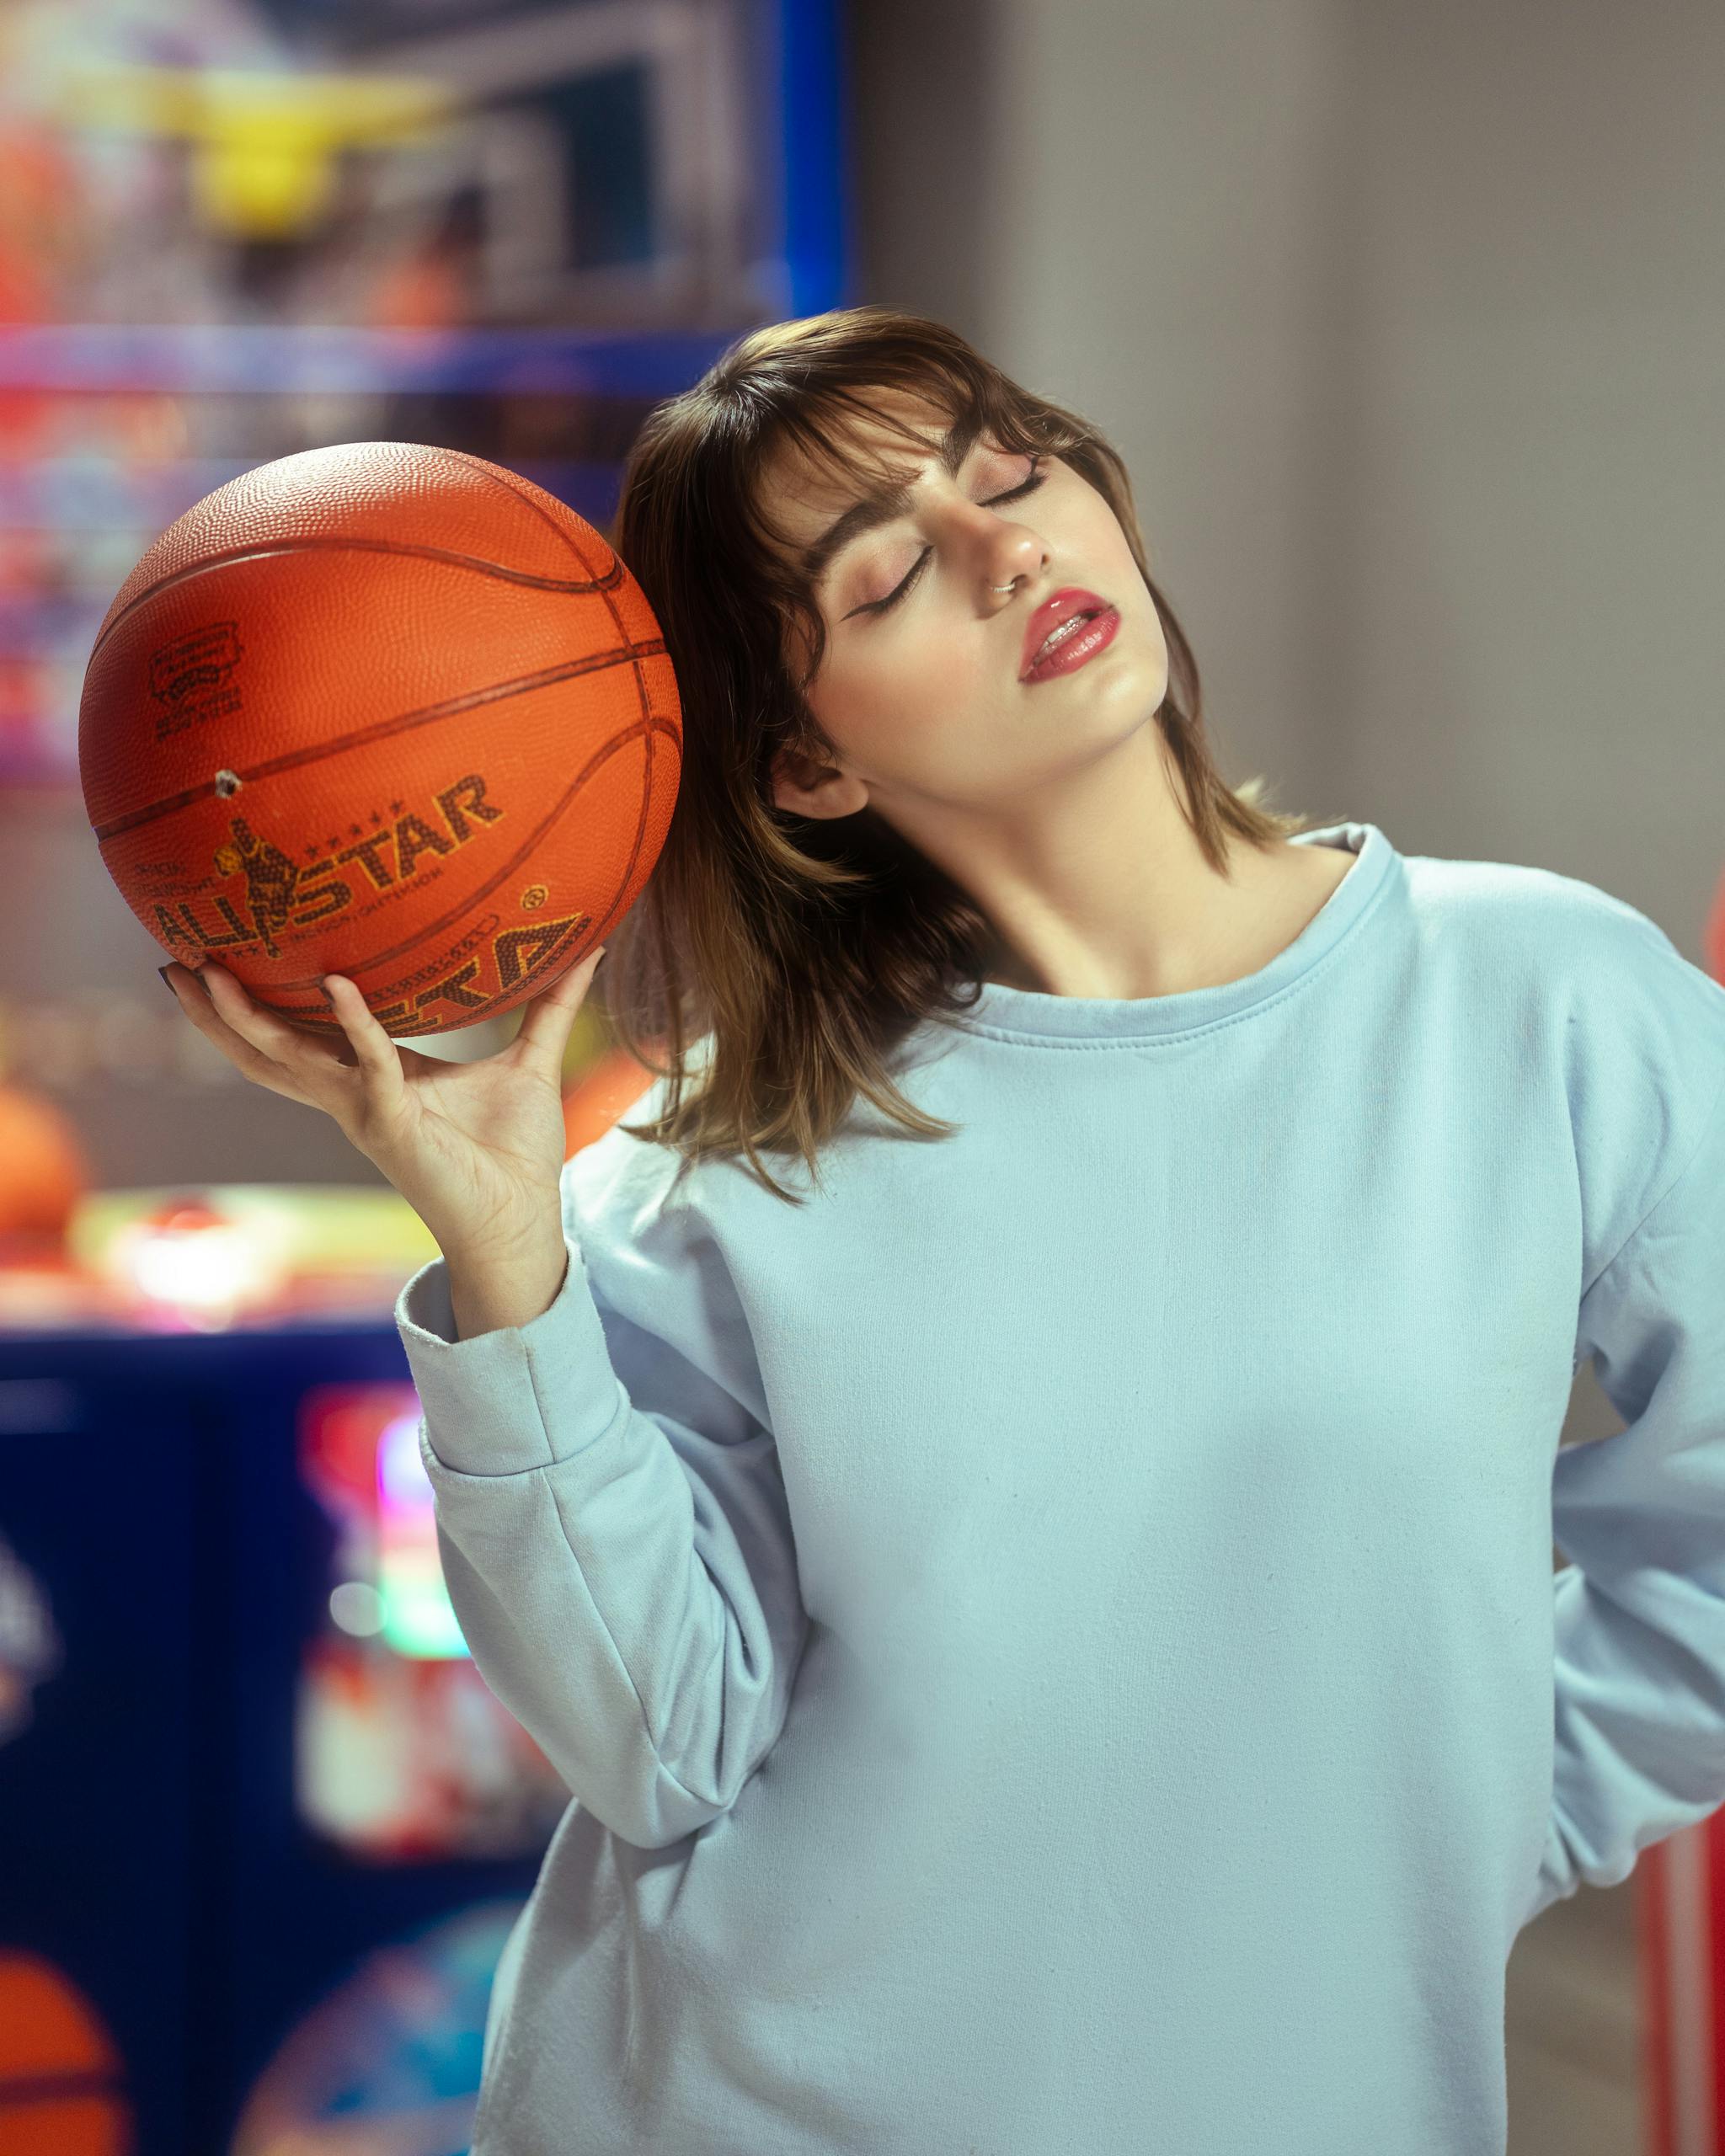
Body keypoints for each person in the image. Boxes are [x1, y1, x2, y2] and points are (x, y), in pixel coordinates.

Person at [164, 306, 1725, 2156]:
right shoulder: (709, 1164)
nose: (1010, 548)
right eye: (892, 573)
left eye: (1014, 468)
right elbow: (656, 1747)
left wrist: (1465, 1811)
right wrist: (505, 1247)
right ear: (809, 762)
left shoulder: (1545, 1000)